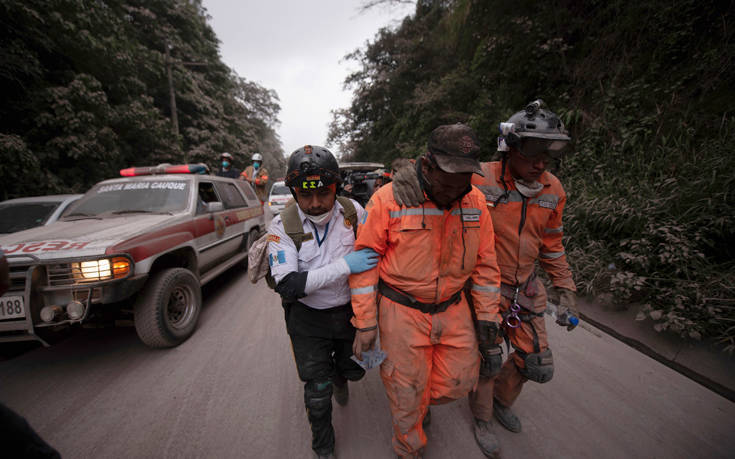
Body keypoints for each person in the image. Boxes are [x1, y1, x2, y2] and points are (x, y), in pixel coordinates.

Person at [391, 101, 579, 458]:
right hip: (480, 288)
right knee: (488, 358)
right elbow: (435, 174)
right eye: (533, 153)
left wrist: (566, 288)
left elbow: (552, 245)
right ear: (509, 148)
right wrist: (403, 169)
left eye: (548, 156)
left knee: (535, 363)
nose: (540, 164)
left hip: (525, 287)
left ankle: (500, 402)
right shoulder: (479, 177)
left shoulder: (553, 189)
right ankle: (483, 419)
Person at [349, 124, 502, 458]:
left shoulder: (474, 201)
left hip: (453, 307)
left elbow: (487, 264)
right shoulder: (389, 199)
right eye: (448, 180)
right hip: (400, 311)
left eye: (465, 179)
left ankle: (419, 403)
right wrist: (365, 322)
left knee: (459, 381)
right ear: (427, 165)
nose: (456, 190)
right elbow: (363, 263)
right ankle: (409, 447)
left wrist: (489, 315)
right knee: (407, 394)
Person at [267, 145, 379, 459]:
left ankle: (341, 375)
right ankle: (324, 447)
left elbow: (383, 250)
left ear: (337, 187)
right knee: (317, 391)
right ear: (294, 192)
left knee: (356, 370)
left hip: (349, 314)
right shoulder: (280, 227)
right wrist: (345, 266)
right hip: (307, 319)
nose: (315, 204)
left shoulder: (355, 212)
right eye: (305, 195)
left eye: (323, 194)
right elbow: (288, 285)